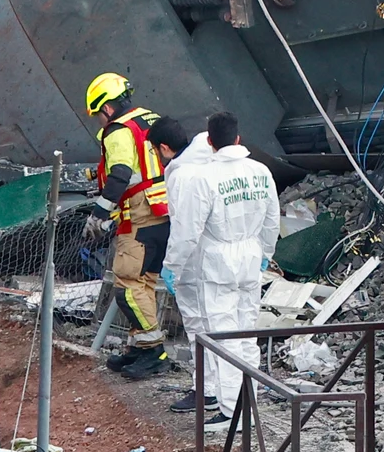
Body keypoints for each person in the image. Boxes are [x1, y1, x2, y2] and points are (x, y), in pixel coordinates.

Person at [163, 111, 279, 427]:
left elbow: (187, 230)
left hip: (218, 262)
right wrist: (266, 252)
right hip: (251, 256)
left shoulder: (204, 178)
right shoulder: (260, 171)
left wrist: (172, 265)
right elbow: (272, 219)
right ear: (238, 139)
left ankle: (231, 411)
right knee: (247, 332)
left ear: (210, 142)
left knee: (223, 336)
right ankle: (248, 402)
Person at [84, 72, 171, 379]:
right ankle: (138, 347)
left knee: (128, 285)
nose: (99, 120)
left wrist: (99, 213)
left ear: (107, 107)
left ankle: (154, 352)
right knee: (144, 283)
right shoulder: (149, 118)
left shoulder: (118, 130)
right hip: (163, 210)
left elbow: (121, 172)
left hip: (140, 214)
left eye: (98, 114)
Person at [148, 117, 215, 415]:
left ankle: (207, 391)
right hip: (225, 258)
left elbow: (184, 230)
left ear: (164, 148)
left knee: (199, 327)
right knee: (226, 327)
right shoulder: (208, 158)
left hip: (196, 261)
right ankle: (227, 390)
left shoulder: (181, 176)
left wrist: (171, 266)